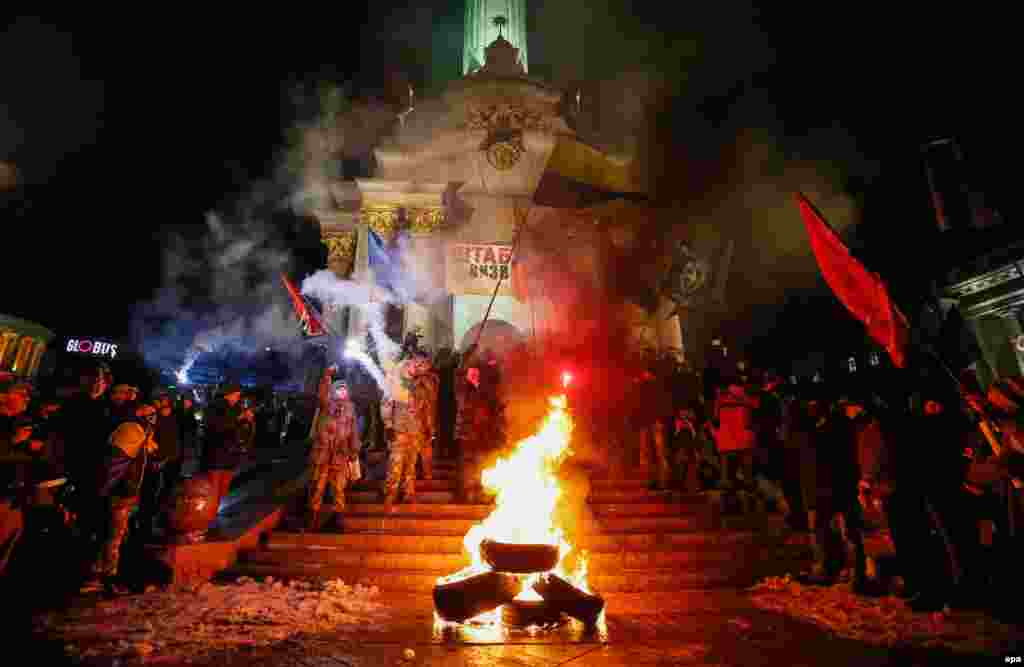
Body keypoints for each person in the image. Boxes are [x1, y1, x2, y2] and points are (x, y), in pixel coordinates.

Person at [307, 368, 360, 531]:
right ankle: (312, 519)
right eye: (339, 389)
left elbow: (353, 430)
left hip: (340, 454)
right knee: (318, 486)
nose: (342, 392)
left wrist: (354, 450)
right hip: (323, 453)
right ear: (333, 391)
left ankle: (338, 519)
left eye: (344, 389)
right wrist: (326, 376)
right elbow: (322, 393)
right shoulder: (326, 403)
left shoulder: (350, 408)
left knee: (339, 488)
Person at [201, 383, 254, 507]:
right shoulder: (215, 406)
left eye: (239, 395)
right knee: (213, 489)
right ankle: (206, 515)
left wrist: (247, 421)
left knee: (222, 489)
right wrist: (239, 418)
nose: (238, 398)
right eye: (236, 395)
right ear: (229, 394)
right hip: (216, 455)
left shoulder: (236, 408)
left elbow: (239, 429)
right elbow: (216, 426)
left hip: (230, 455)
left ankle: (212, 513)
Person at [381, 358, 420, 506]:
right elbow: (386, 405)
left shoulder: (418, 385)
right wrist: (388, 425)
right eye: (409, 365)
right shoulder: (394, 384)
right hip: (399, 430)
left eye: (414, 366)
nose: (413, 368)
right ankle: (390, 493)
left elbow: (423, 409)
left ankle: (408, 493)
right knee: (395, 463)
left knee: (411, 464)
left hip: (414, 430)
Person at [410, 354, 440, 481]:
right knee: (412, 449)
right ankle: (412, 474)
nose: (419, 366)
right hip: (412, 419)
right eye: (417, 363)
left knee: (426, 448)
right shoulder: (410, 378)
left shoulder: (432, 378)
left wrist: (430, 425)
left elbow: (432, 396)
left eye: (422, 363)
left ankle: (427, 473)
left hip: (425, 419)